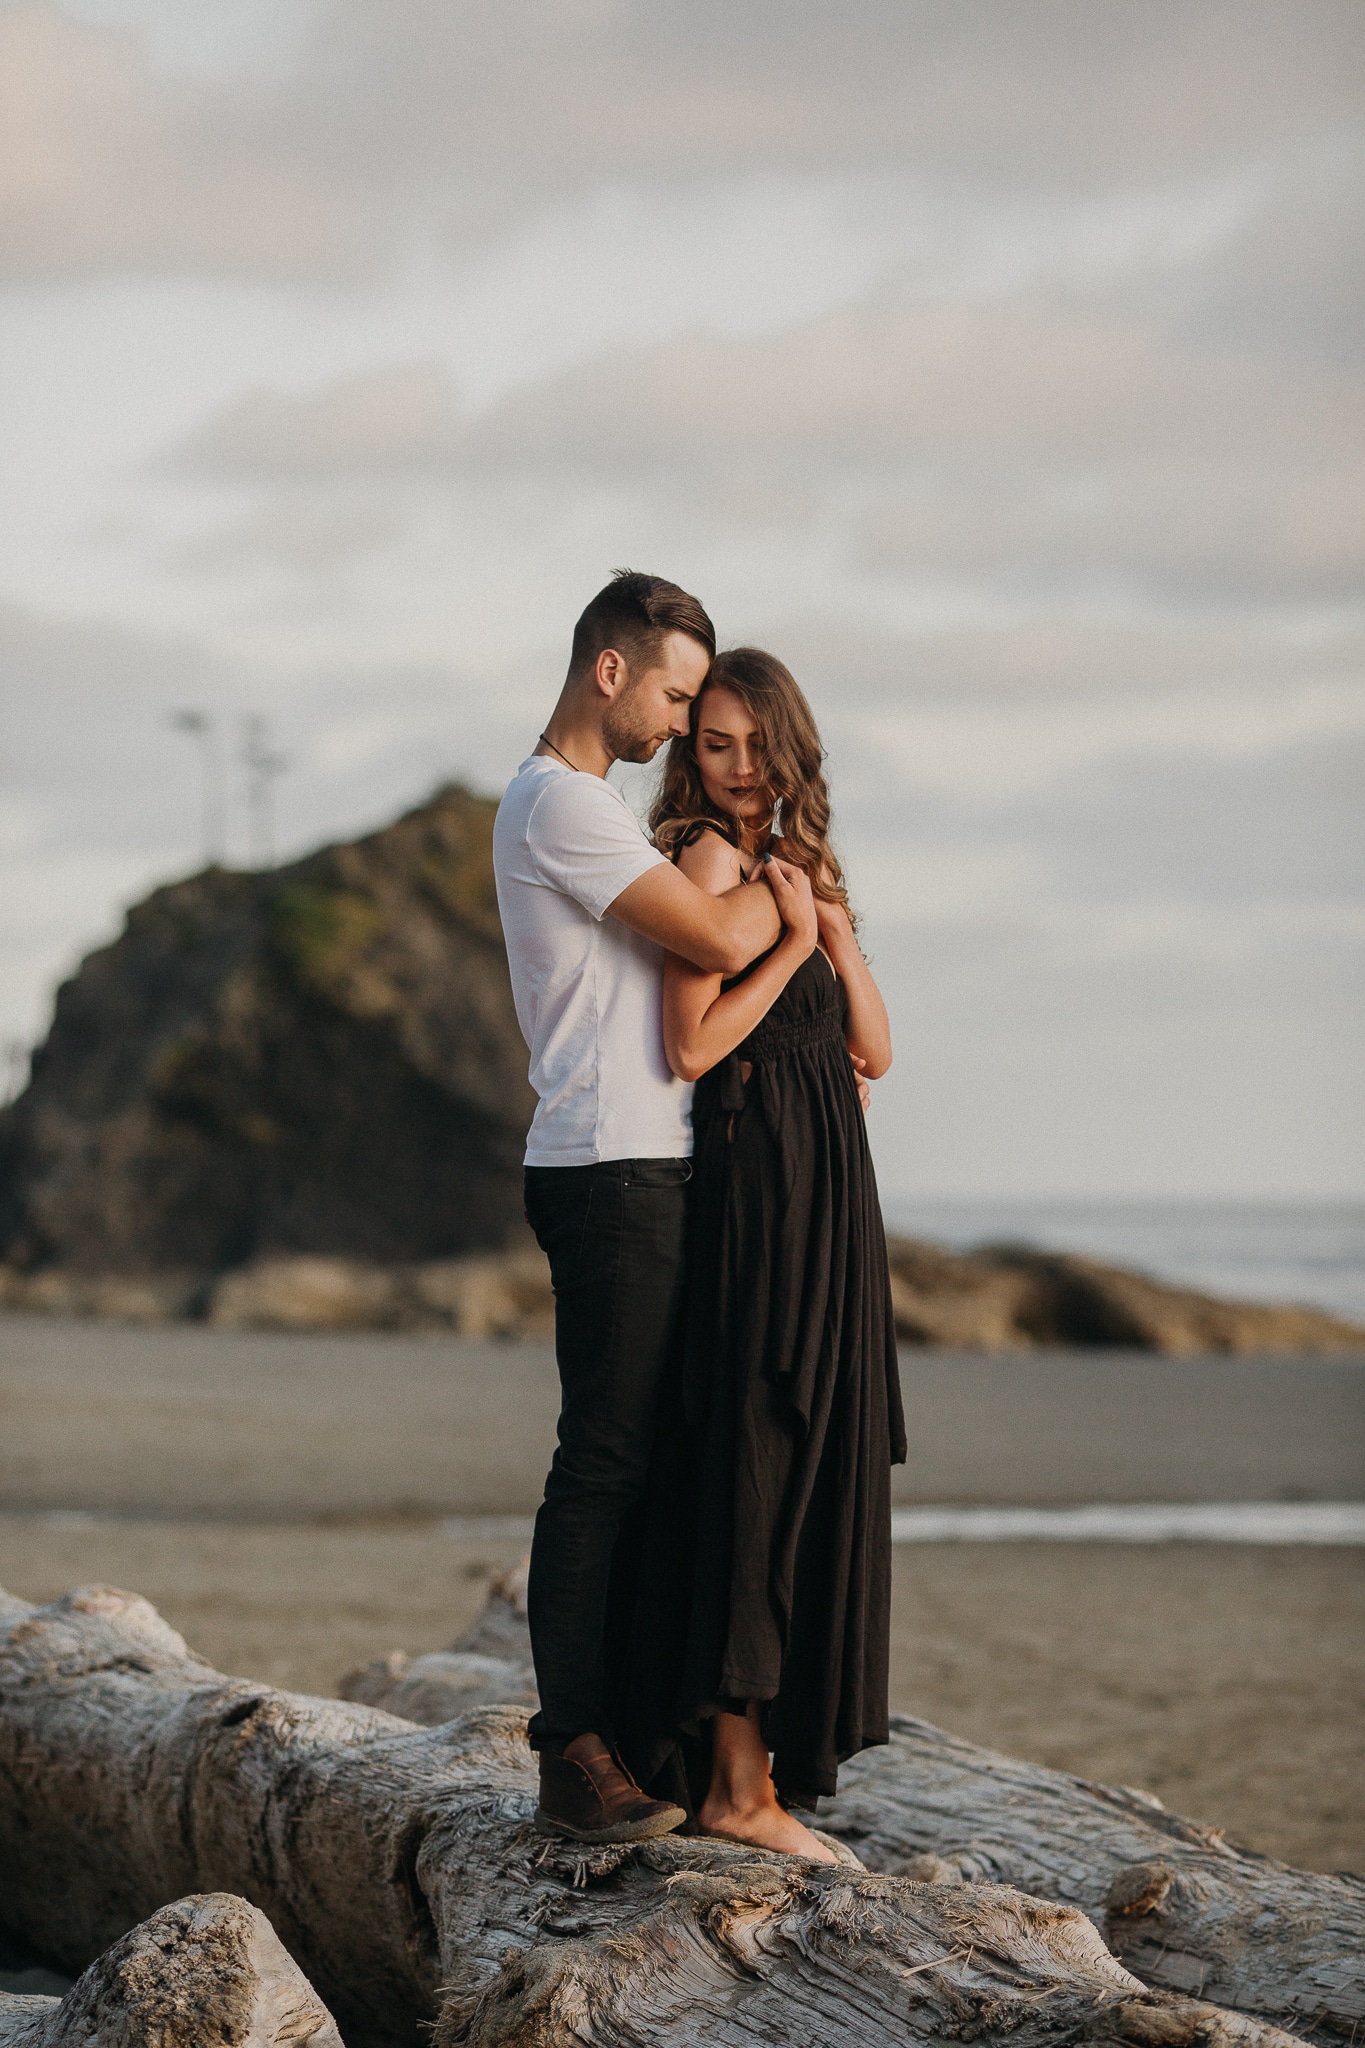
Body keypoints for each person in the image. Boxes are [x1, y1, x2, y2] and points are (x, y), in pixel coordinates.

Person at [492, 571, 813, 1846]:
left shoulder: (595, 808)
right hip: (609, 1169)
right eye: (678, 694)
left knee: (641, 1458)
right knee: (605, 1462)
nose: (685, 723)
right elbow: (714, 936)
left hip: (641, 1164)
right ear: (609, 669)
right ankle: (571, 1750)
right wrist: (787, 901)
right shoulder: (558, 804)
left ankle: (622, 1729)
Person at [615, 645, 907, 1862]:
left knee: (815, 1461)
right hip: (756, 1193)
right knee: (757, 1460)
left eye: (753, 744)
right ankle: (735, 1785)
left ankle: (765, 1773)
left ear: (790, 750)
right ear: (692, 752)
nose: (735, 766)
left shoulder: (794, 868)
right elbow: (691, 1044)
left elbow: (877, 1051)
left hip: (832, 1190)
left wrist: (828, 929)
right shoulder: (706, 863)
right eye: (713, 742)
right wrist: (788, 945)